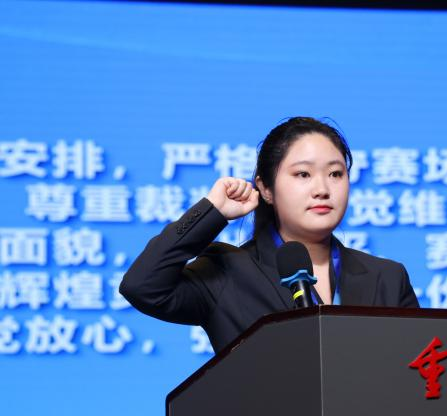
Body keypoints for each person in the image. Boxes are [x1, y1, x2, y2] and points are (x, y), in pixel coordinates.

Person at [120, 117, 419, 354]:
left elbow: (413, 374)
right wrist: (212, 212)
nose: (322, 189)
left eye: (335, 174)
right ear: (265, 189)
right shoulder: (227, 272)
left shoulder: (388, 278)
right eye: (303, 174)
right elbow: (142, 287)